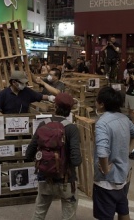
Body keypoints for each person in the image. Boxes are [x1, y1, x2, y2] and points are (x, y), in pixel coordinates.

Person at [26, 92, 82, 220]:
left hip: (45, 179)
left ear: (54, 106)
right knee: (69, 216)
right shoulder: (71, 128)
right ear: (70, 110)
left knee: (39, 214)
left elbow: (28, 154)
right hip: (66, 181)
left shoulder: (43, 124)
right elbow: (76, 159)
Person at [93, 86, 134, 220]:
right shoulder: (124, 118)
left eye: (97, 100)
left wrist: (106, 168)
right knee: (123, 211)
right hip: (123, 176)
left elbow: (102, 152)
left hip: (106, 182)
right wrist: (127, 152)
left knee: (104, 216)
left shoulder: (102, 123)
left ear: (102, 104)